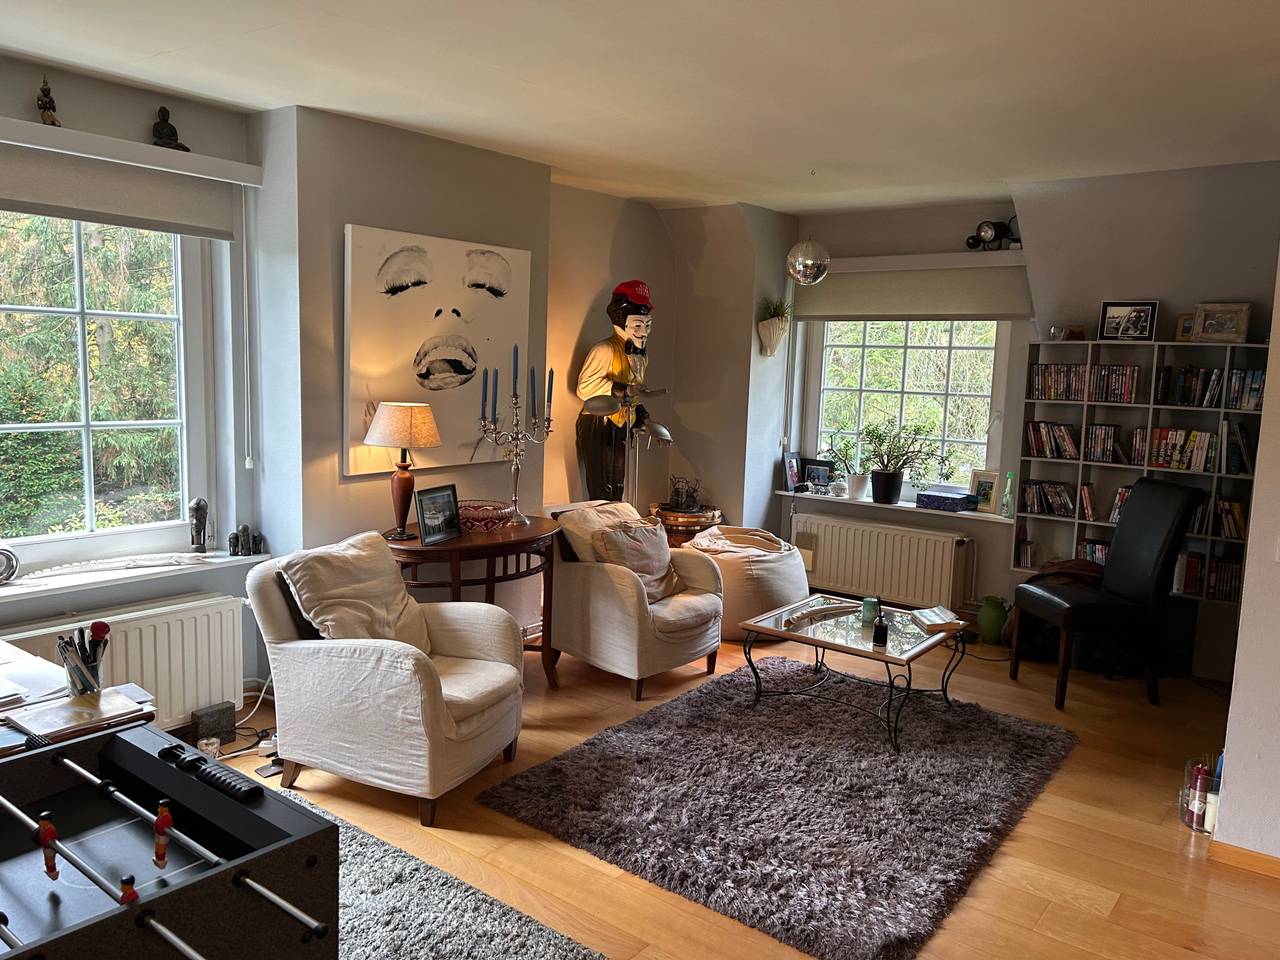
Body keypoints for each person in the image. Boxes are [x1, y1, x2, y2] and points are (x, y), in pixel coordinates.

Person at [575, 280, 665, 501]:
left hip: (623, 425)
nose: (644, 333)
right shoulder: (604, 350)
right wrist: (624, 389)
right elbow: (584, 388)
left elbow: (634, 398)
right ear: (621, 322)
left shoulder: (641, 357)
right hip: (599, 424)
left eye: (648, 325)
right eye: (638, 326)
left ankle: (617, 521)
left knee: (618, 485)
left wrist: (645, 421)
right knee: (601, 489)